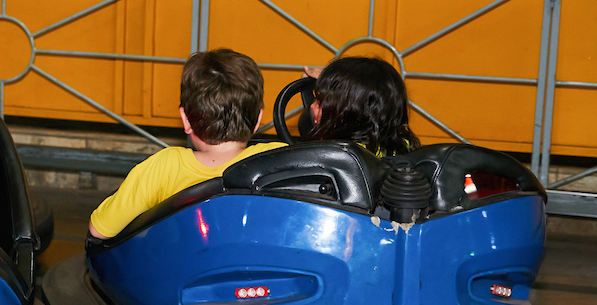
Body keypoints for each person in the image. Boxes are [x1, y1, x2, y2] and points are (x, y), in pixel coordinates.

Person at [89, 49, 284, 240]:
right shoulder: (278, 159)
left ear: (185, 120)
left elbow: (100, 230)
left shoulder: (163, 167)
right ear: (258, 119)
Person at [306, 57, 420, 157]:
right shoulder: (402, 146)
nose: (312, 106)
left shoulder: (338, 155)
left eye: (321, 102)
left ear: (349, 113)